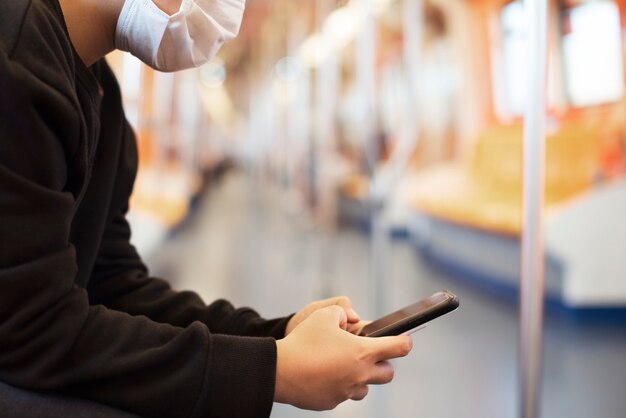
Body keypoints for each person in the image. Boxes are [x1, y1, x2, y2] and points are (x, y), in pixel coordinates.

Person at [0, 0, 413, 417]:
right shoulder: (15, 59)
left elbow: (110, 283)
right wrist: (274, 371)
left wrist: (278, 337)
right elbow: (29, 331)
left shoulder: (102, 98)